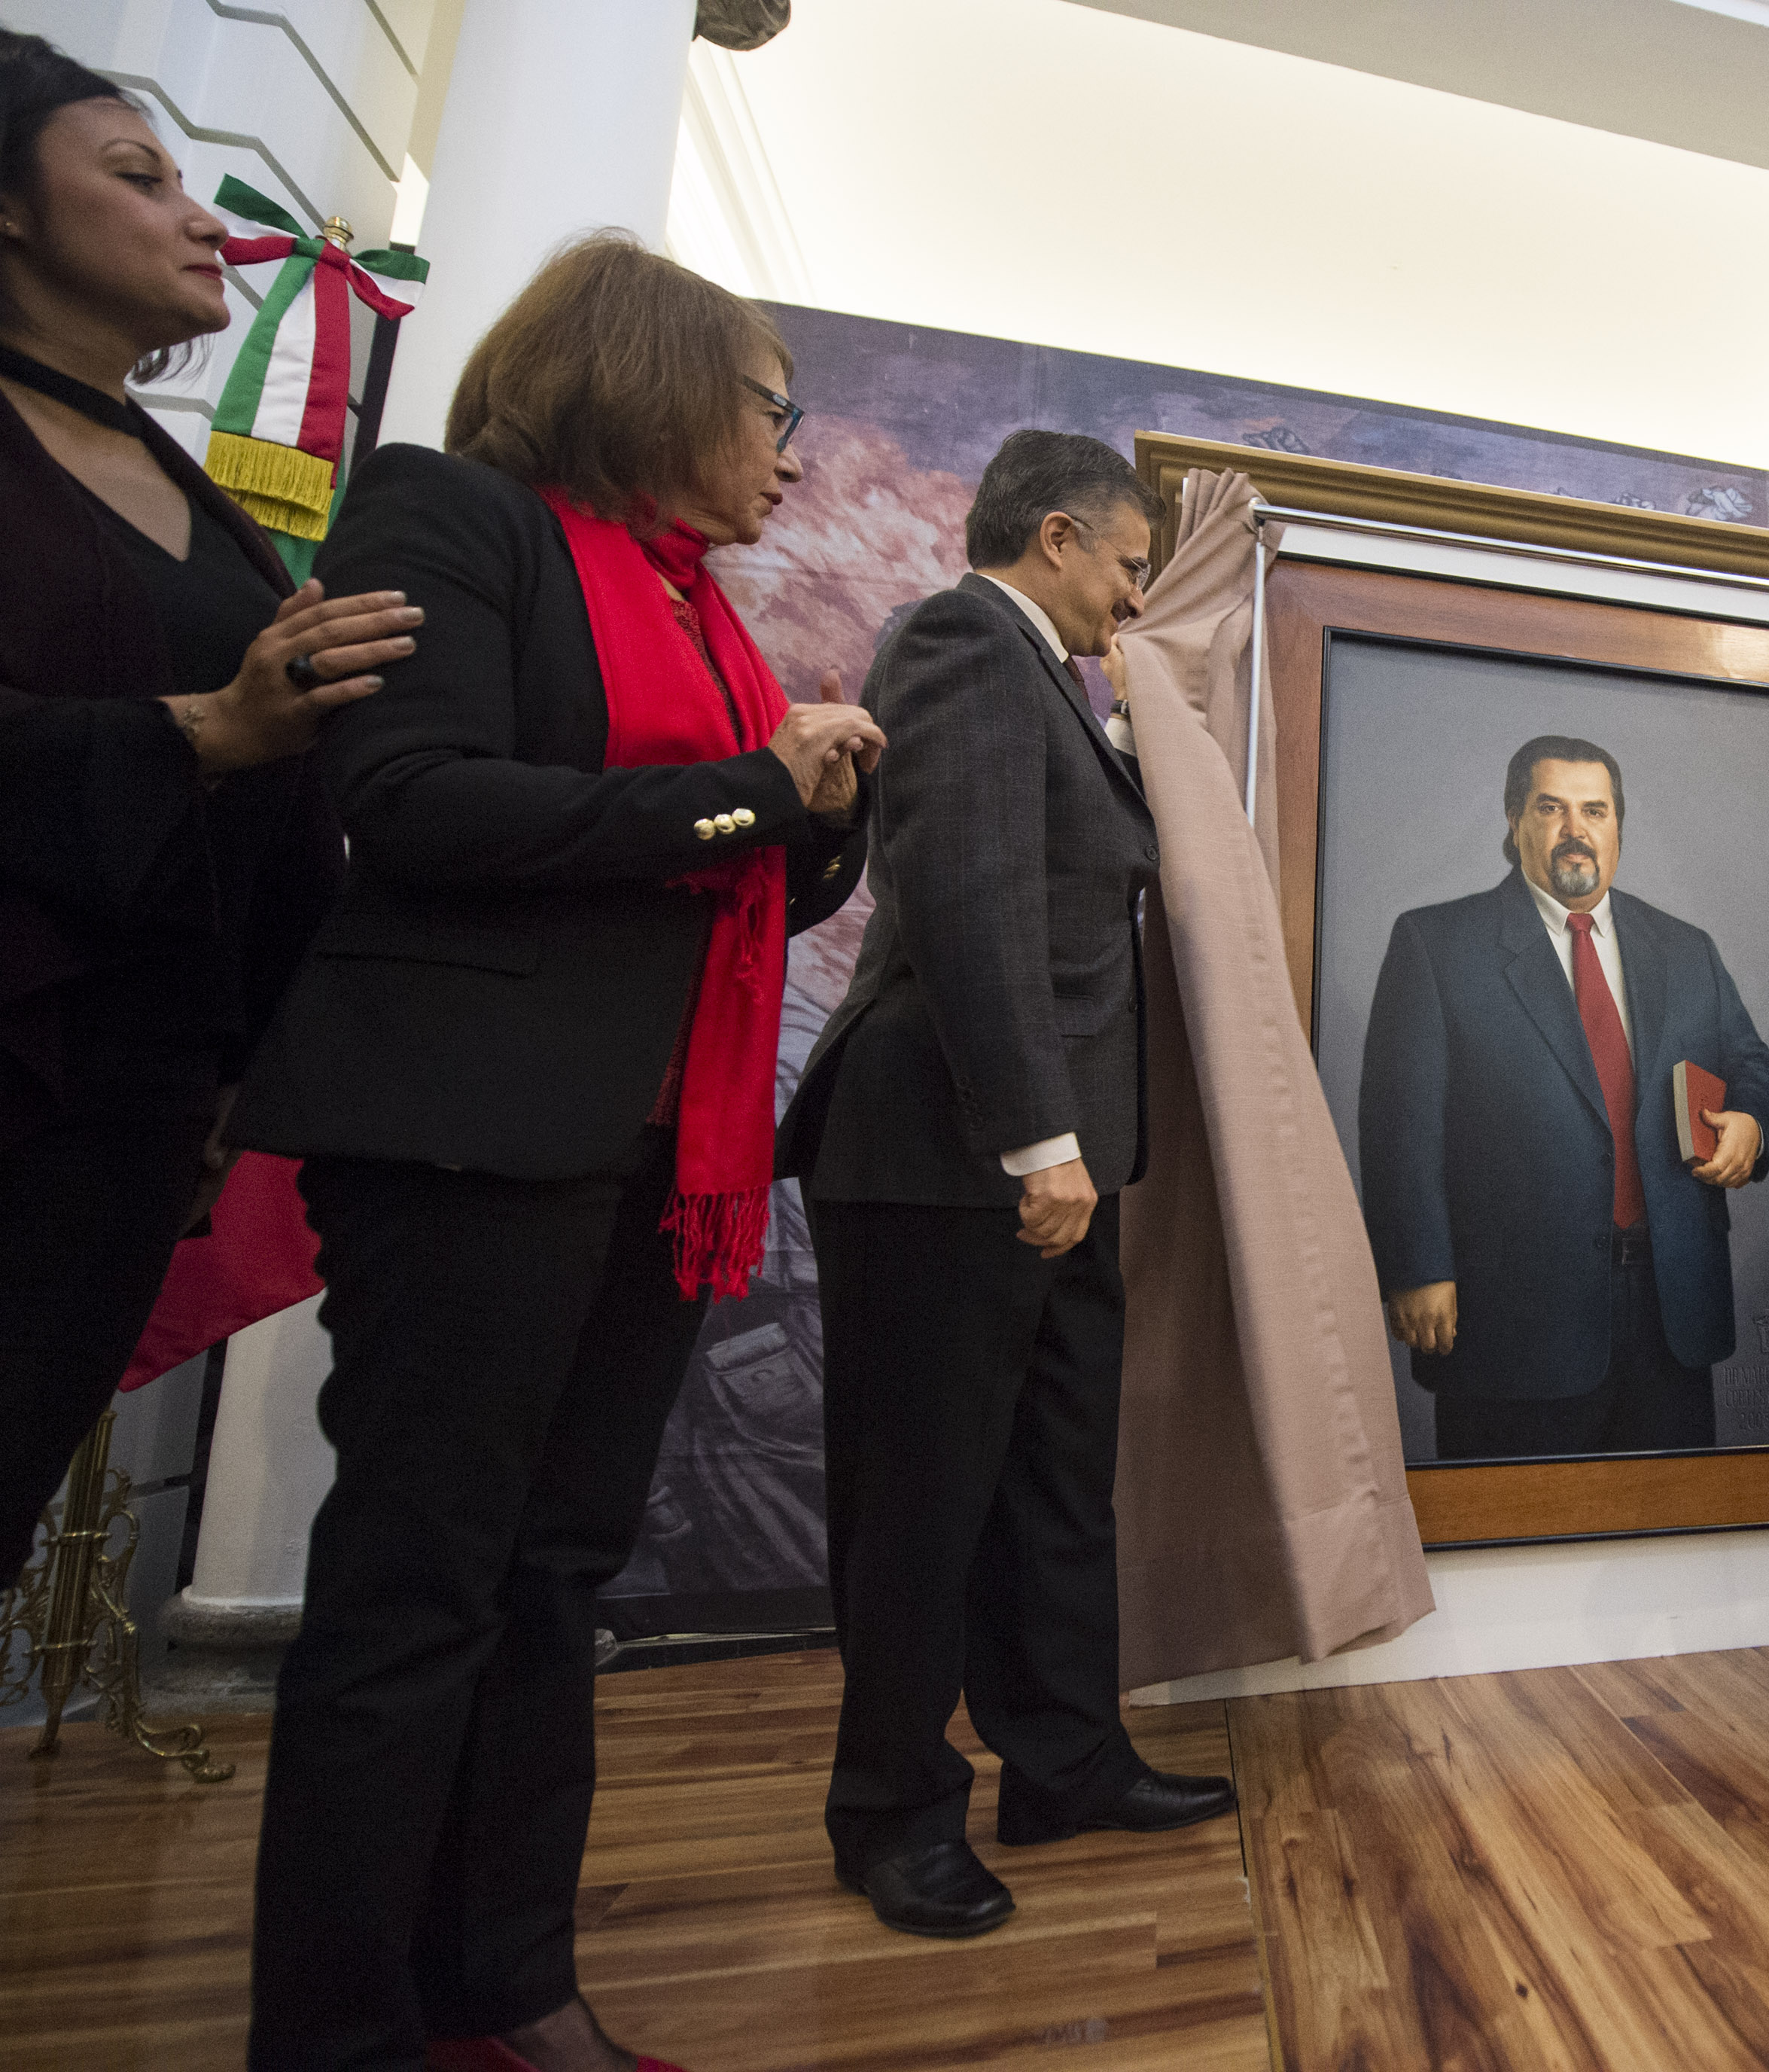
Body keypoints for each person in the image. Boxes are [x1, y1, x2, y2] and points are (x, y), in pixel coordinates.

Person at [227, 236, 882, 2071]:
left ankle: (505, 1994)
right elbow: (414, 804)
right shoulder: (452, 519)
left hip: (649, 1145)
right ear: (653, 382)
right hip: (468, 1130)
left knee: (550, 1582)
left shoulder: (696, 607)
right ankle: (341, 2035)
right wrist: (763, 785)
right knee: (417, 1589)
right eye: (774, 411)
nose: (793, 455)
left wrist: (822, 806)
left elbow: (724, 869)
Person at [775, 429, 1232, 1941]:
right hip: (957, 1156)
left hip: (1057, 1167)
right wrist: (1040, 1141)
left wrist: (1075, 1156)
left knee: (1051, 1487)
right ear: (1054, 535)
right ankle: (891, 1813)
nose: (1133, 595)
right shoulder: (967, 636)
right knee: (921, 1499)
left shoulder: (1056, 677)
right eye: (1125, 563)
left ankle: (1067, 1761)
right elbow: (967, 897)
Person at [0, 38, 416, 1576]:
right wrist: (207, 726)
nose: (201, 217)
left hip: (132, 1091)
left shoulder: (197, 489)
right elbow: (219, 738)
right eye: (139, 177)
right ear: (10, 212)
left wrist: (262, 1049)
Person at [1357, 734, 1769, 1461]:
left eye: (1596, 810)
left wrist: (1750, 1122)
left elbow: (1751, 1063)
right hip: (1512, 1321)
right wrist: (1416, 1266)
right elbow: (1400, 1124)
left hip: (1670, 1309)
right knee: (1510, 1550)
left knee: (1671, 1546)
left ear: (1619, 827)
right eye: (1551, 808)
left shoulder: (1686, 948)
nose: (1576, 830)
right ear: (1514, 819)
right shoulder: (1437, 945)